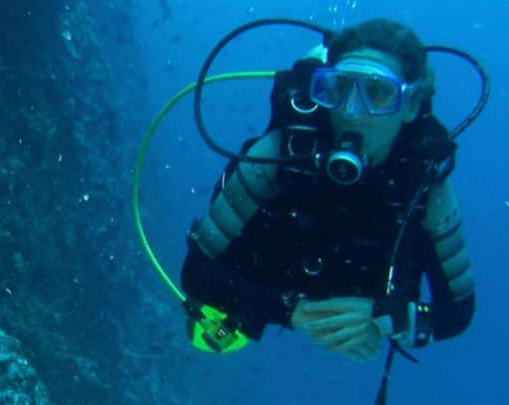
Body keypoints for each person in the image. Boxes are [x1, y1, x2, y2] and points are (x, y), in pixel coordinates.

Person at [180, 18, 475, 361]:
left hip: (361, 296)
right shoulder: (278, 155)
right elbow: (196, 273)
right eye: (339, 88)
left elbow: (458, 311)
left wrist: (385, 318)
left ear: (410, 105)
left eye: (378, 93)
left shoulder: (426, 185)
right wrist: (289, 309)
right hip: (271, 284)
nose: (352, 111)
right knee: (214, 337)